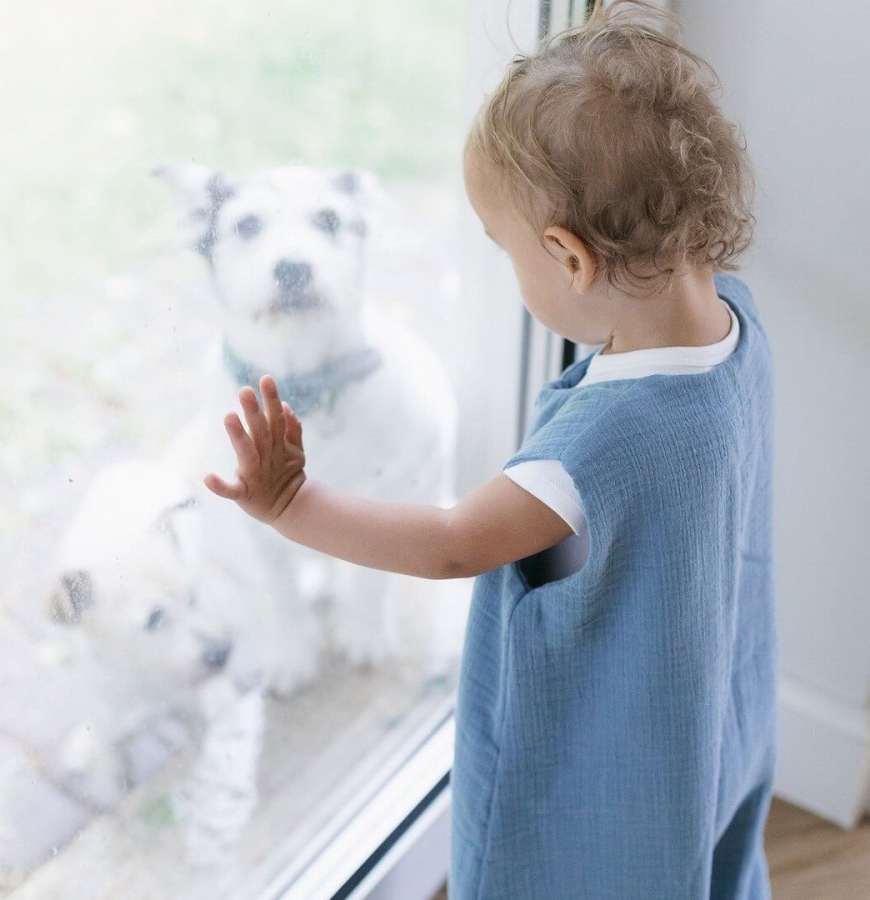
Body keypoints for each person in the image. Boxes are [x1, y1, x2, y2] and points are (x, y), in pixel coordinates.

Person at [204, 0, 777, 896]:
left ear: (570, 259)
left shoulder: (593, 449)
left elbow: (451, 544)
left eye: (508, 253)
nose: (511, 273)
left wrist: (291, 504)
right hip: (713, 695)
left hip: (618, 738)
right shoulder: (736, 320)